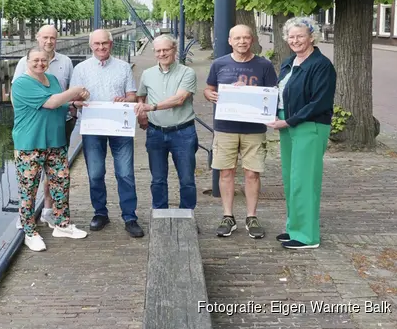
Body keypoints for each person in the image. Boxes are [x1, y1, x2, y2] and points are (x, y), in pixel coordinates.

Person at [203, 25, 278, 239]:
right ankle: (228, 216)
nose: (242, 42)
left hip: (254, 128)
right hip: (225, 127)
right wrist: (210, 95)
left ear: (252, 40)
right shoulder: (219, 64)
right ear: (230, 41)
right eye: (237, 38)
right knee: (226, 172)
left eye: (246, 38)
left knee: (252, 173)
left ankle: (251, 216)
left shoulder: (264, 65)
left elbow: (272, 93)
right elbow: (208, 88)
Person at [267, 17, 336, 249]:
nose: (295, 40)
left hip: (309, 126)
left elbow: (319, 102)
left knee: (305, 180)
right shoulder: (289, 62)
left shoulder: (321, 64)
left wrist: (289, 121)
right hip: (289, 124)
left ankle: (307, 236)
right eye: (291, 36)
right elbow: (278, 93)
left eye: (300, 36)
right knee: (291, 178)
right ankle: (294, 227)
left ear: (311, 37)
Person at [12, 46, 89, 251]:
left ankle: (62, 224)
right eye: (35, 60)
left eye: (43, 60)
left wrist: (74, 102)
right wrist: (75, 90)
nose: (40, 64)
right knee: (28, 189)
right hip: (30, 144)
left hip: (55, 142)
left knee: (61, 183)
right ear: (27, 61)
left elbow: (61, 104)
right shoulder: (21, 84)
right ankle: (29, 231)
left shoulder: (53, 80)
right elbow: (53, 103)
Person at [71, 29, 143, 238]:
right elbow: (73, 100)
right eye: (97, 44)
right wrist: (78, 101)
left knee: (125, 173)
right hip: (93, 128)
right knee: (95, 173)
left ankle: (130, 216)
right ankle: (100, 212)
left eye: (105, 43)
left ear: (111, 45)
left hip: (119, 126)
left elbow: (132, 96)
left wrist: (126, 100)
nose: (101, 47)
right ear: (90, 45)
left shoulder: (123, 67)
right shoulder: (81, 69)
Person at [12, 25, 75, 228]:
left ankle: (52, 214)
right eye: (45, 37)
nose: (49, 41)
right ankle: (27, 224)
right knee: (29, 183)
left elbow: (62, 98)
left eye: (53, 38)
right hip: (32, 134)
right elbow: (49, 101)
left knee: (59, 179)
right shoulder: (23, 74)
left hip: (57, 131)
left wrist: (74, 102)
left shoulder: (61, 68)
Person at [135, 34, 199, 212]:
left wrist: (152, 107)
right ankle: (160, 215)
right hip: (155, 132)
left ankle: (186, 216)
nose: (162, 54)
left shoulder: (187, 73)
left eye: (166, 50)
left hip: (183, 132)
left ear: (174, 50)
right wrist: (142, 115)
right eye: (158, 51)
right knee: (157, 179)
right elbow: (140, 96)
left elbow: (179, 99)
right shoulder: (147, 74)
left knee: (186, 179)